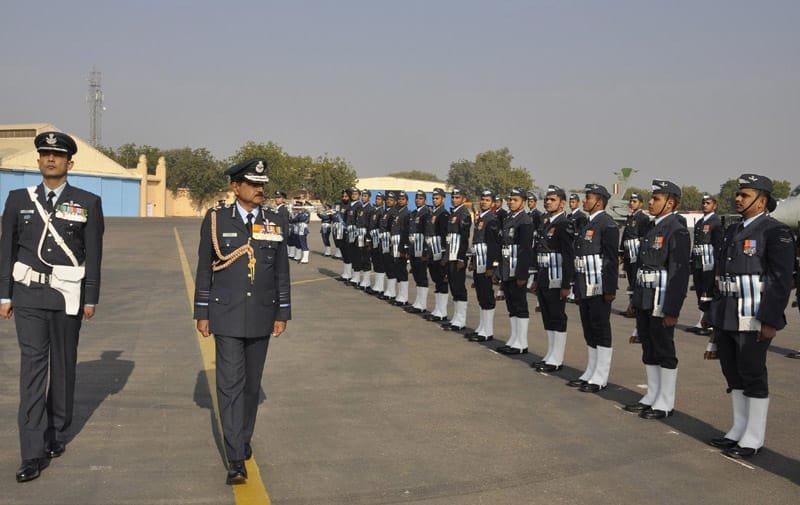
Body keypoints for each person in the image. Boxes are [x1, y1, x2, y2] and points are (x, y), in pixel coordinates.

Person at [0, 132, 104, 483]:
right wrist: (4, 295)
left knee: (63, 365)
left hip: (66, 298)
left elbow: (93, 253)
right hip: (28, 296)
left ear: (69, 164)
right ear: (38, 160)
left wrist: (91, 296)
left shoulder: (87, 201)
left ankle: (56, 430)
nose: (50, 159)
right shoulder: (18, 200)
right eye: (44, 154)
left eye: (57, 156)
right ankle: (31, 452)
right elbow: (6, 250)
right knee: (32, 371)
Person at [194, 158, 290, 484]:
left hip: (262, 314)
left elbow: (281, 271)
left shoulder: (276, 222)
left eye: (262, 184)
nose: (260, 189)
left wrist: (282, 313)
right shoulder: (216, 220)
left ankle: (242, 437)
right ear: (236, 187)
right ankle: (235, 457)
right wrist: (202, 312)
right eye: (253, 184)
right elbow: (204, 269)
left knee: (250, 387)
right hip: (227, 314)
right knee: (230, 386)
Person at [706, 174, 794, 459]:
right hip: (728, 313)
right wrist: (712, 314)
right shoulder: (732, 231)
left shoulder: (775, 232)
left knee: (753, 374)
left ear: (762, 201)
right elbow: (721, 275)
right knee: (732, 373)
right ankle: (737, 429)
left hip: (754, 314)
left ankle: (753, 437)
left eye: (745, 194)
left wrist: (770, 320)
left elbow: (781, 280)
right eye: (738, 194)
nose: (738, 198)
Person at [623, 180, 690, 419]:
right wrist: (635, 298)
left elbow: (679, 273)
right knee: (648, 347)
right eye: (651, 198)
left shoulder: (676, 229)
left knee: (664, 349)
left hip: (662, 300)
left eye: (656, 199)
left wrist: (673, 309)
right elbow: (642, 266)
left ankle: (665, 401)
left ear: (670, 203)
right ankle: (652, 394)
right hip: (645, 297)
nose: (650, 202)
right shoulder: (652, 227)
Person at [567, 184, 619, 393]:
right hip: (584, 284)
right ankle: (591, 370)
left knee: (600, 329)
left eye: (588, 197)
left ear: (599, 201)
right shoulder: (586, 223)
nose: (584, 201)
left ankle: (601, 375)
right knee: (589, 329)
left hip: (598, 286)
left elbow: (611, 260)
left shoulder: (608, 225)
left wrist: (609, 289)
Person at [531, 186, 575, 372]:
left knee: (557, 317)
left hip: (556, 278)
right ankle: (550, 354)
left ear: (562, 203)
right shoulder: (546, 222)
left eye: (553, 199)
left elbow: (568, 255)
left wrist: (567, 284)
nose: (548, 202)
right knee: (548, 317)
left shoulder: (565, 224)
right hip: (543, 275)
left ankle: (557, 358)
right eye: (547, 199)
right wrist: (535, 279)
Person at [495, 188, 534, 355]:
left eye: (515, 200)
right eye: (510, 199)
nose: (511, 202)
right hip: (506, 266)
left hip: (517, 268)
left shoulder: (525, 221)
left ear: (523, 202)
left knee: (520, 305)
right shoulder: (509, 218)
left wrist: (522, 274)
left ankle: (522, 342)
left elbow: (526, 249)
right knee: (511, 305)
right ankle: (514, 338)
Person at [466, 190, 502, 342]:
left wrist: (492, 267)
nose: (483, 202)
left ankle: (487, 331)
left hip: (486, 263)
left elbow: (494, 245)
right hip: (478, 261)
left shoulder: (492, 219)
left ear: (493, 203)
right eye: (482, 199)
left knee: (487, 297)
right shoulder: (481, 217)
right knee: (481, 295)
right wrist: (473, 262)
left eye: (487, 200)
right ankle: (482, 327)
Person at [686, 194, 723, 339]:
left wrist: (718, 266)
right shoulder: (700, 222)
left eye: (708, 203)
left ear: (714, 206)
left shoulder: (716, 222)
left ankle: (710, 324)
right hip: (698, 262)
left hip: (709, 263)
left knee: (708, 293)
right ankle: (701, 321)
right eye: (703, 203)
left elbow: (718, 245)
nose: (705, 205)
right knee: (700, 292)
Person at [619, 192, 650, 340]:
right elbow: (625, 236)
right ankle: (631, 306)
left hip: (636, 253)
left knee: (637, 282)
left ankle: (636, 308)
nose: (632, 203)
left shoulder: (643, 218)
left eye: (635, 201)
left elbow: (644, 238)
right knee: (631, 282)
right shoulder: (630, 217)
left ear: (641, 204)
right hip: (628, 253)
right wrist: (621, 253)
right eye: (631, 201)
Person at [442, 188, 472, 330]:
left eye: (457, 197)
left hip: (458, 255)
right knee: (453, 287)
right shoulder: (454, 212)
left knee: (459, 288)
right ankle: (455, 318)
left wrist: (461, 258)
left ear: (464, 199)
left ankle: (461, 320)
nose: (454, 199)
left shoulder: (464, 213)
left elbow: (464, 238)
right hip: (451, 254)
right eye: (453, 197)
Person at [423, 188, 451, 322]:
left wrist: (444, 254)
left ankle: (442, 311)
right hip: (431, 251)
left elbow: (445, 235)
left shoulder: (444, 214)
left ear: (443, 199)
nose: (435, 200)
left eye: (437, 198)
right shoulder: (431, 213)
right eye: (433, 198)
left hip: (439, 251)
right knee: (436, 280)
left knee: (441, 281)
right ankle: (437, 309)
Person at [405, 191, 432, 314]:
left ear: (425, 200)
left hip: (421, 247)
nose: (418, 200)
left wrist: (426, 251)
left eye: (420, 199)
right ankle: (418, 302)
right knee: (416, 275)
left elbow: (428, 232)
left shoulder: (426, 213)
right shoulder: (414, 213)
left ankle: (422, 304)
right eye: (416, 198)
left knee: (421, 276)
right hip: (413, 247)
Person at [390, 192, 411, 306]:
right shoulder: (397, 212)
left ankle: (404, 297)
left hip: (401, 243)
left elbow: (406, 232)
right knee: (397, 268)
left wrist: (406, 248)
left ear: (407, 201)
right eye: (399, 199)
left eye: (403, 199)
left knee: (402, 270)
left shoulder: (407, 214)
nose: (400, 201)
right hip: (395, 243)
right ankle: (399, 295)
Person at [379, 191, 398, 301]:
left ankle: (392, 292)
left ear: (395, 201)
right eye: (387, 200)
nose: (388, 202)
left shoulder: (394, 212)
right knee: (387, 265)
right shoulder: (386, 211)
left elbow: (392, 229)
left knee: (391, 267)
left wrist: (391, 244)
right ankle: (389, 290)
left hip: (390, 241)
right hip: (384, 241)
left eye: (391, 200)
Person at [367, 193, 386, 295]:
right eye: (377, 199)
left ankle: (380, 287)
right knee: (375, 262)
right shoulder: (374, 211)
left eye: (379, 199)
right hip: (372, 238)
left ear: (383, 201)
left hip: (378, 239)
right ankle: (377, 286)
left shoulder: (382, 212)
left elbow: (381, 227)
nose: (377, 200)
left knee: (380, 263)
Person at [356, 190, 374, 289]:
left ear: (369, 198)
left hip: (366, 233)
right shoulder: (360, 208)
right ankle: (362, 279)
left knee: (366, 257)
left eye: (365, 196)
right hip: (359, 233)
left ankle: (366, 281)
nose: (363, 198)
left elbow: (370, 225)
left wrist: (368, 238)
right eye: (362, 196)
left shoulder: (370, 209)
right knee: (361, 256)